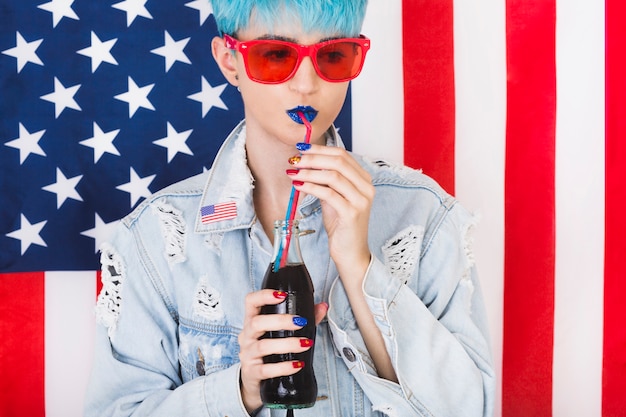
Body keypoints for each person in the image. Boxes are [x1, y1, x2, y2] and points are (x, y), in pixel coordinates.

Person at [84, 0, 495, 416]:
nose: (305, 84)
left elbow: (471, 409)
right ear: (230, 61)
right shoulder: (153, 236)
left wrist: (360, 268)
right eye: (276, 55)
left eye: (333, 55)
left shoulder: (424, 215)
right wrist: (240, 390)